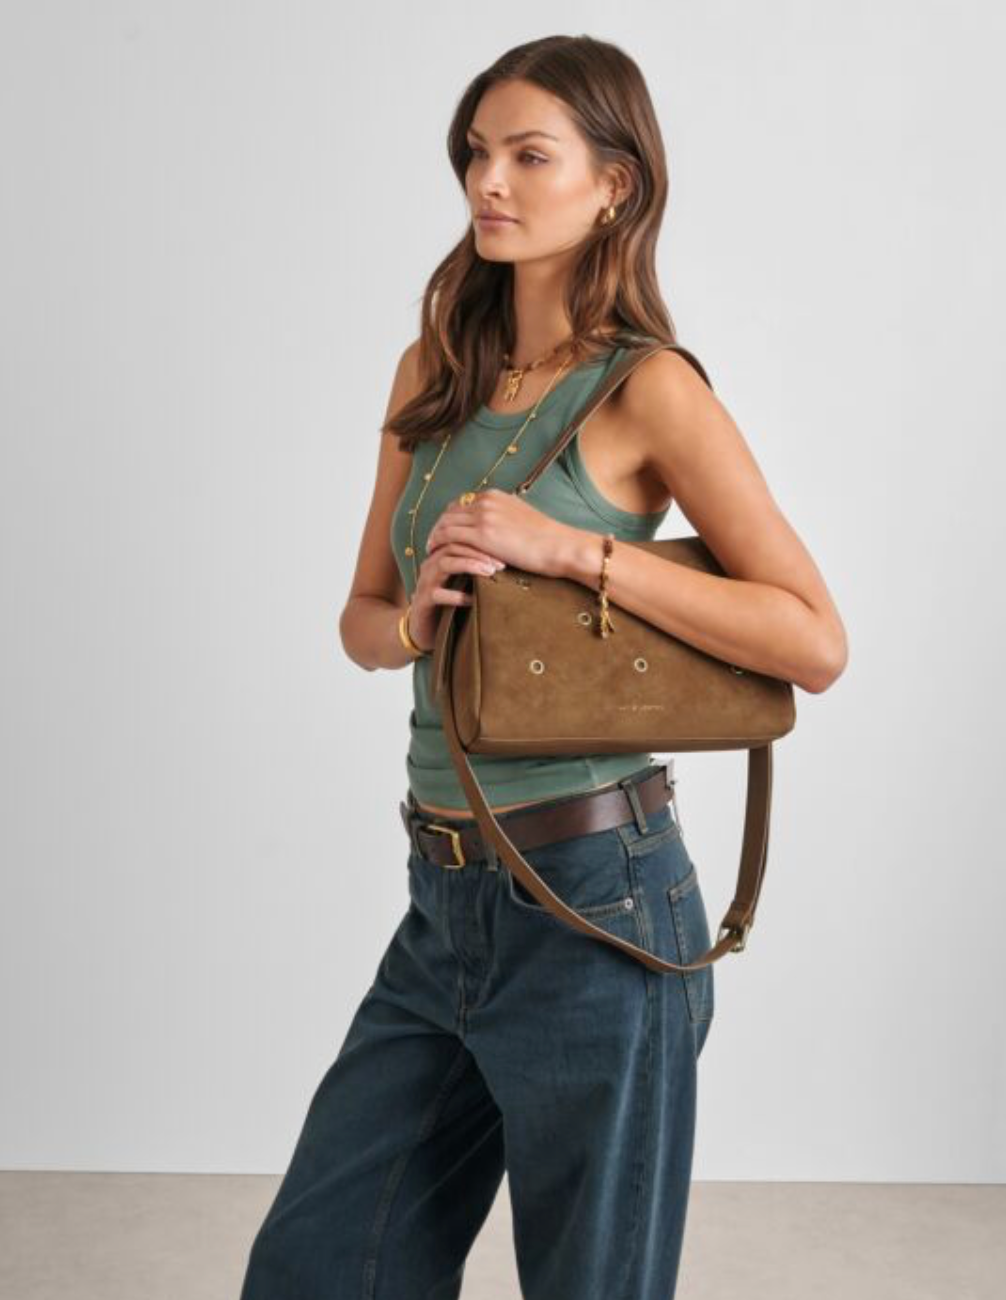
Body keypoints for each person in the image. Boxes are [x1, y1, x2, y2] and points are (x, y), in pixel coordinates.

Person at [239, 33, 848, 1300]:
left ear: (613, 185)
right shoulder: (431, 373)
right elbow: (360, 620)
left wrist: (569, 550)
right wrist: (416, 623)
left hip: (594, 902)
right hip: (443, 899)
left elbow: (811, 638)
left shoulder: (648, 390)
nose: (487, 182)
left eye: (528, 155)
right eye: (476, 153)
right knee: (317, 1265)